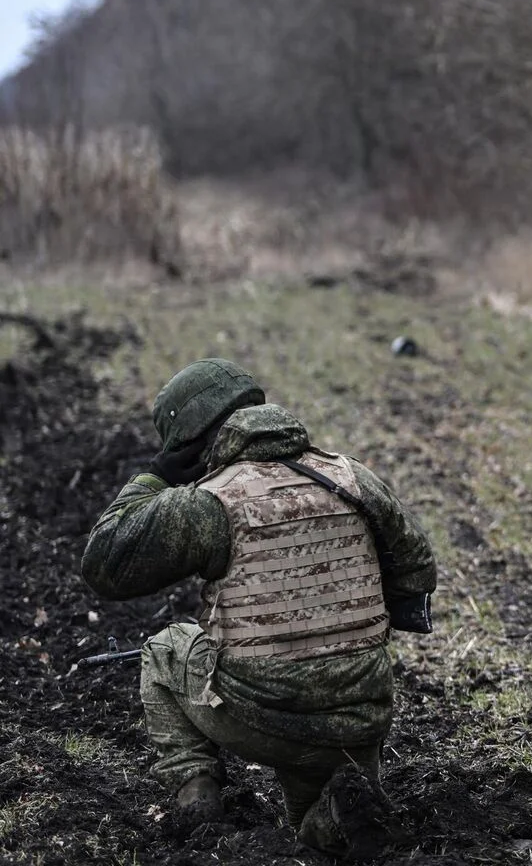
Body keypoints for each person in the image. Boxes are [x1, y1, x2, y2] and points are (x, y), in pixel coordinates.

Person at [81, 359, 437, 857]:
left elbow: (104, 563)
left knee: (164, 651)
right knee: (312, 829)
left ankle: (196, 797)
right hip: (359, 720)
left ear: (189, 443)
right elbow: (418, 571)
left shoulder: (209, 502)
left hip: (264, 717)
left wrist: (155, 478)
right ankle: (333, 818)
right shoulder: (351, 476)